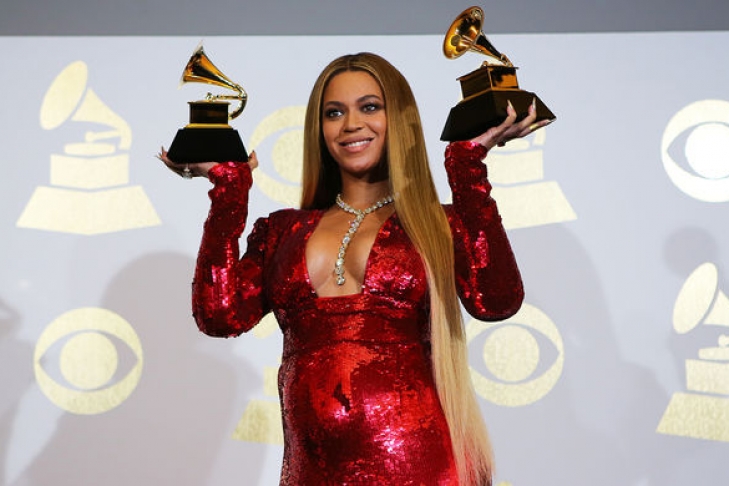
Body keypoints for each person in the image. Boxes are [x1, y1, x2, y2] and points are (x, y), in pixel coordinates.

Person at [159, 52, 549, 486]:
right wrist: (229, 193)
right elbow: (219, 315)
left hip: (424, 469)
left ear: (400, 120)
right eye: (334, 112)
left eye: (369, 107)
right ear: (319, 128)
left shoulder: (437, 224)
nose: (350, 124)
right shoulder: (281, 231)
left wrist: (467, 167)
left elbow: (497, 301)